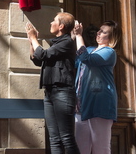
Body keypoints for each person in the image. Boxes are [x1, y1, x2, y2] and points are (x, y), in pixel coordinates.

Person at [25, 12, 80, 154]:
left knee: (66, 138)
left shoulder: (67, 42)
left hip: (63, 92)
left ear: (61, 26)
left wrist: (33, 37)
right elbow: (38, 59)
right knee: (54, 139)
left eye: (53, 21)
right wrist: (31, 42)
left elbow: (43, 54)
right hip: (50, 92)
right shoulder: (56, 44)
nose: (50, 23)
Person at [73, 20, 121, 154]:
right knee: (80, 149)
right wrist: (72, 37)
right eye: (99, 30)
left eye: (103, 32)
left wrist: (79, 36)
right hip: (81, 105)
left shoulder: (109, 52)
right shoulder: (89, 49)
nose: (98, 33)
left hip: (100, 105)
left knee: (101, 148)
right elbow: (77, 60)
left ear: (112, 38)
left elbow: (87, 59)